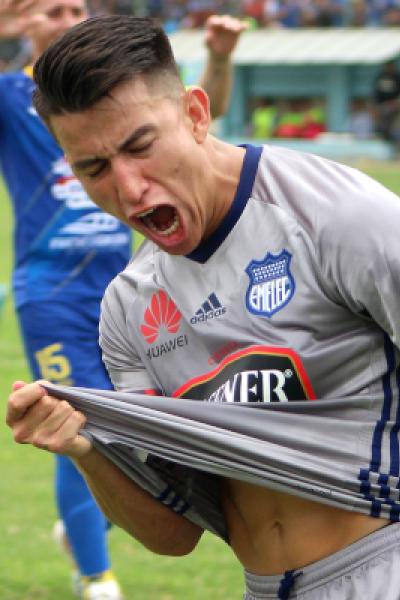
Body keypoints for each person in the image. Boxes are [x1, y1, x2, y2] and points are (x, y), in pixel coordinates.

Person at [6, 14, 400, 600]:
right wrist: (85, 447)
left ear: (195, 113)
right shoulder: (128, 305)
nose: (130, 187)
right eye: (94, 169)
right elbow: (172, 534)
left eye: (141, 146)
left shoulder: (340, 218)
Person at [0, 3, 245, 598]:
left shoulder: (119, 91)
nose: (67, 18)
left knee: (152, 429)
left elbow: (194, 121)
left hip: (134, 287)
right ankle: (96, 577)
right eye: (51, 10)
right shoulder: (11, 96)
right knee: (72, 424)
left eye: (77, 8)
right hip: (53, 293)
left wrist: (218, 57)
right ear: (23, 22)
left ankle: (89, 524)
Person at [372, 60, 400, 145]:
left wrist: (395, 103)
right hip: (382, 106)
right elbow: (376, 95)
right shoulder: (381, 78)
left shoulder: (397, 78)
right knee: (382, 125)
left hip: (396, 106)